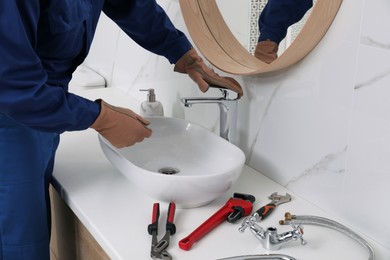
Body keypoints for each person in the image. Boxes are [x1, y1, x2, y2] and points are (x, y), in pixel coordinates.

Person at [0, 1, 242, 259]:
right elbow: (11, 84)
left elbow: (130, 5)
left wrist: (181, 52)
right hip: (12, 117)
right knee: (17, 244)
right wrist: (103, 118)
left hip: (41, 109)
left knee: (29, 231)